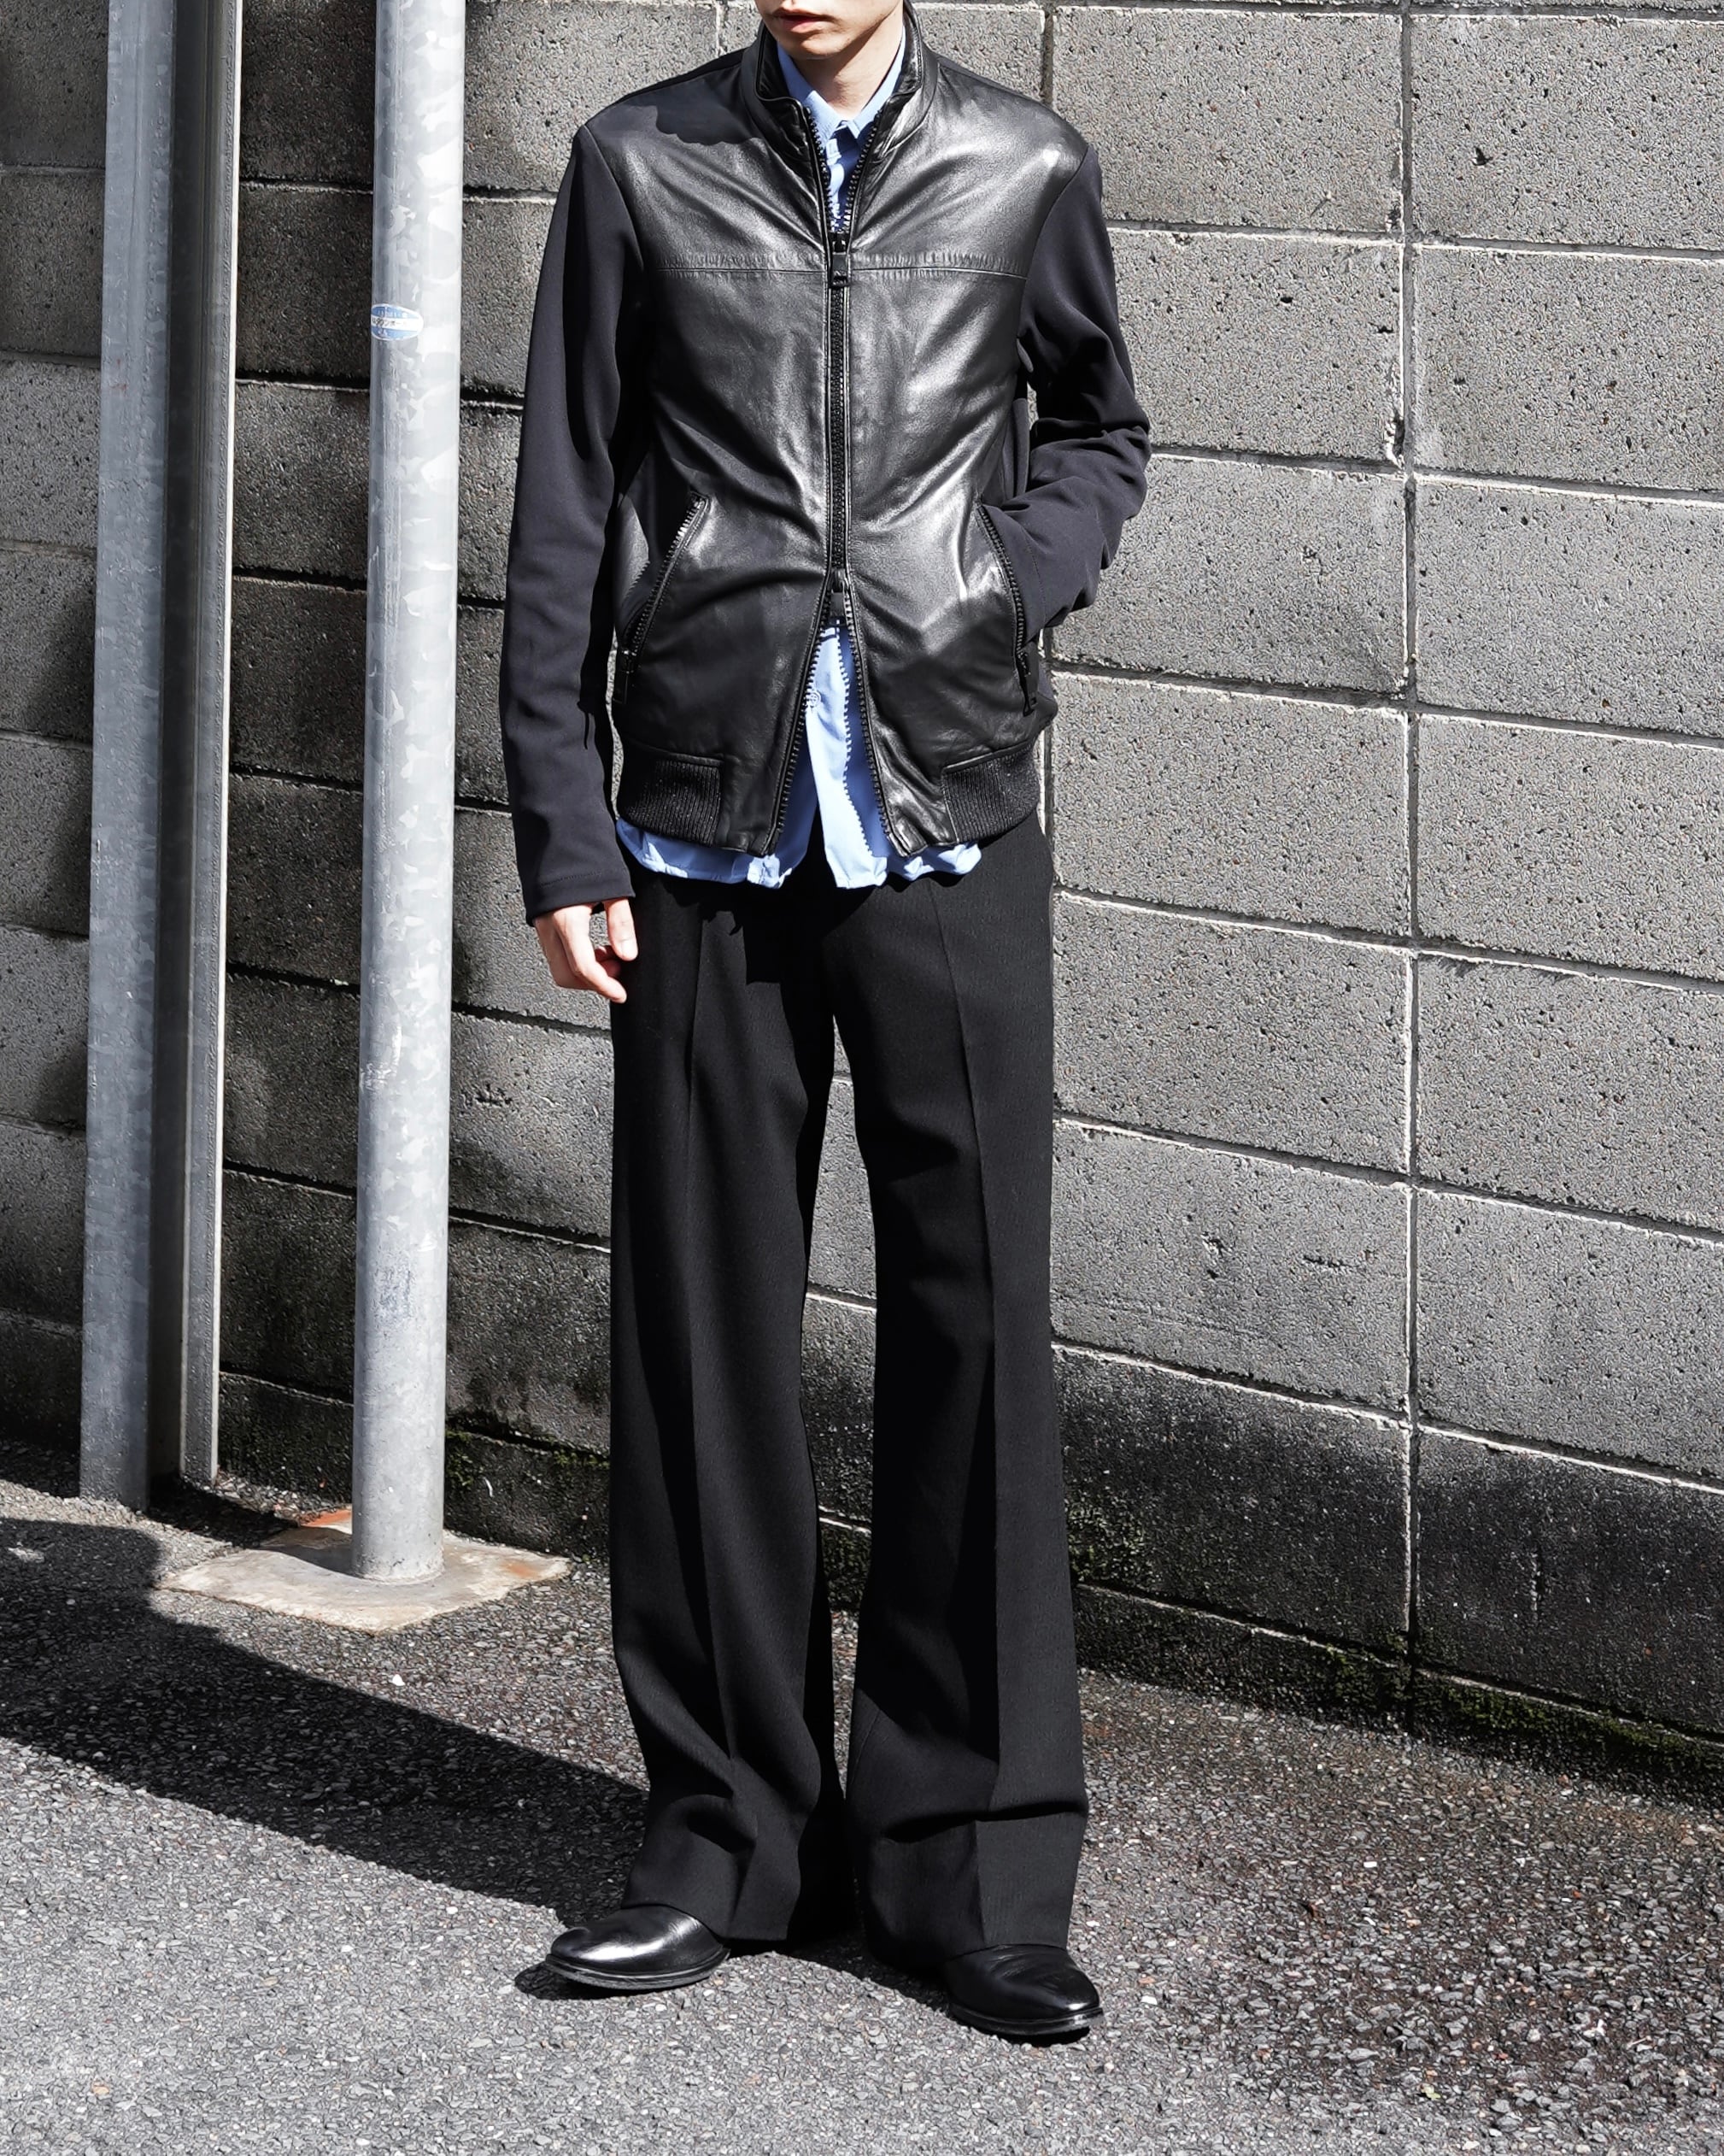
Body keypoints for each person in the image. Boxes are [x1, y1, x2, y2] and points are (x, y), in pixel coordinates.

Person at [499, 0, 1147, 2043]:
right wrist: (560, 824)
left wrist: (993, 580)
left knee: (977, 1324)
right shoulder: (640, 165)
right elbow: (564, 496)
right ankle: (726, 1836)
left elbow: (1100, 429)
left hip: (946, 817)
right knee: (698, 1336)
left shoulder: (1022, 166)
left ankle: (974, 1864)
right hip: (699, 824)